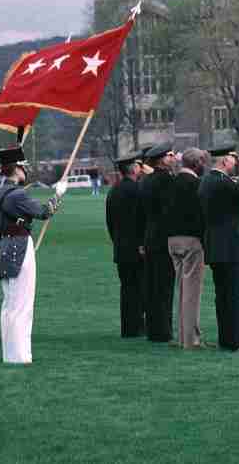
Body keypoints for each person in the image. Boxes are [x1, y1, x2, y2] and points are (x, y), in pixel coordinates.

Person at [0, 141, 63, 364]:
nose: (26, 170)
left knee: (9, 304)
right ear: (17, 168)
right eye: (23, 166)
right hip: (20, 246)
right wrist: (58, 194)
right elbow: (44, 212)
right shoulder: (17, 195)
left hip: (3, 246)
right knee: (21, 304)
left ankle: (10, 353)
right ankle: (20, 355)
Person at [198, 145, 239, 352]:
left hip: (216, 247)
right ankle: (236, 341)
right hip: (232, 247)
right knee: (236, 296)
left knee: (223, 296)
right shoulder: (222, 182)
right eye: (235, 161)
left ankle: (226, 339)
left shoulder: (207, 181)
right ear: (225, 162)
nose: (237, 164)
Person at [166, 148, 210, 349]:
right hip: (192, 240)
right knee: (191, 292)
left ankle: (185, 336)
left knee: (182, 290)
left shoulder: (171, 182)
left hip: (172, 240)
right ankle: (190, 340)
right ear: (197, 163)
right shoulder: (197, 184)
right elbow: (202, 216)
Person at [139, 142, 178, 343]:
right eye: (170, 155)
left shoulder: (146, 181)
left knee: (153, 285)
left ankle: (154, 329)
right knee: (164, 287)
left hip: (150, 236)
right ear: (161, 159)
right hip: (164, 238)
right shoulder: (167, 181)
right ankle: (164, 331)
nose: (173, 158)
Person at [105, 154, 146, 338]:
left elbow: (110, 223)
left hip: (121, 246)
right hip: (138, 248)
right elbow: (141, 220)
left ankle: (128, 328)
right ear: (134, 168)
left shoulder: (113, 191)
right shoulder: (138, 190)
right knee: (140, 288)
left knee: (127, 288)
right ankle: (138, 325)